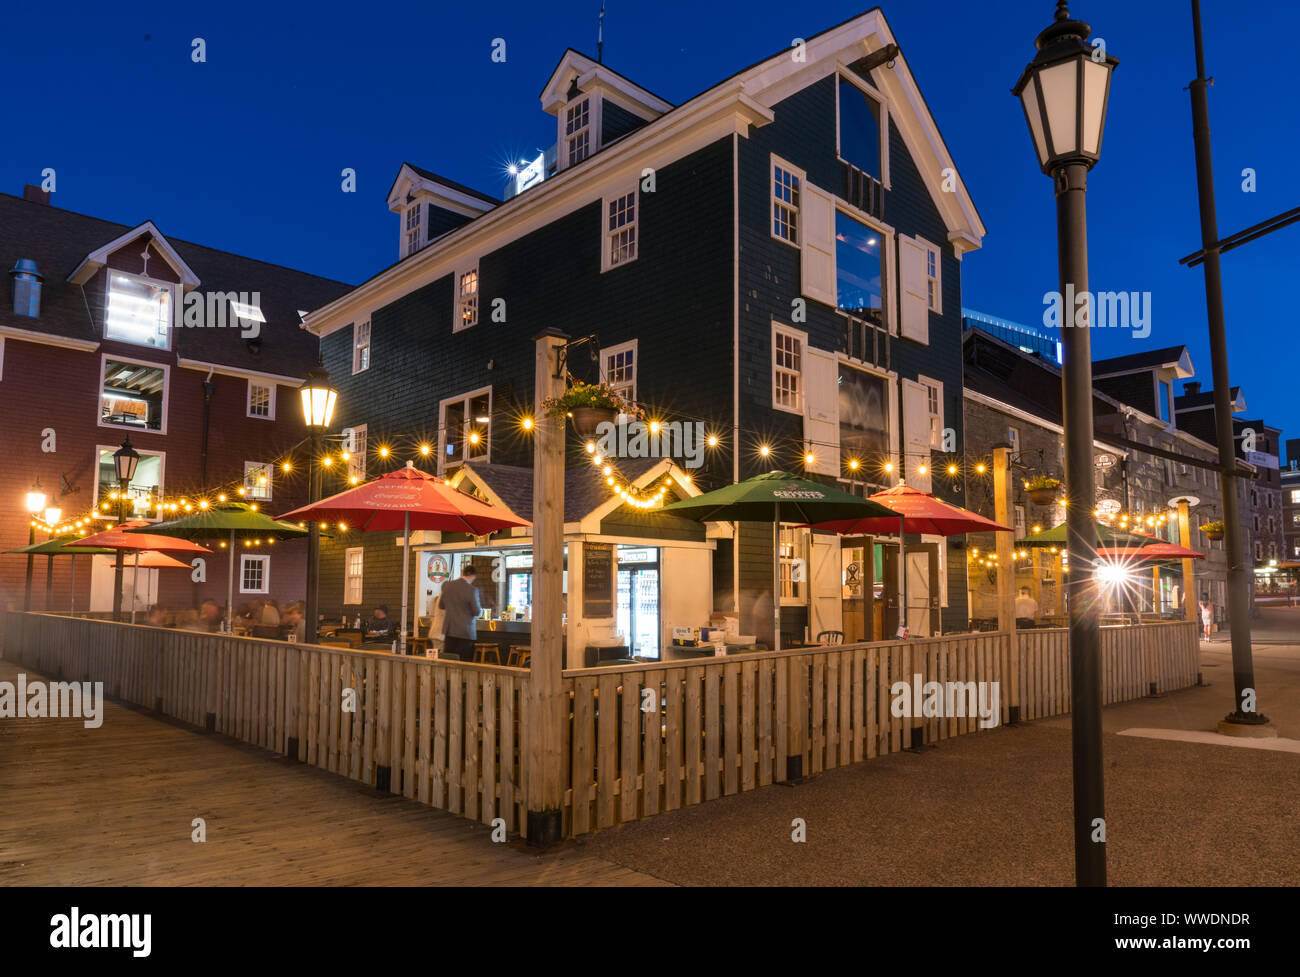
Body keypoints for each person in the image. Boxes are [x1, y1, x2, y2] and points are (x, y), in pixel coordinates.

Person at [440, 564, 481, 661]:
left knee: (449, 660)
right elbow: (476, 611)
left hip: (449, 630)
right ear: (472, 575)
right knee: (464, 663)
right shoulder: (472, 590)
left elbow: (441, 605)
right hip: (465, 632)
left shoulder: (448, 586)